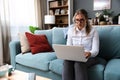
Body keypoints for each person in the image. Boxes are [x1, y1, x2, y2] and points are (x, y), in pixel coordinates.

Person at [62, 9, 99, 80]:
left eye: (82, 20)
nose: (79, 22)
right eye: (77, 20)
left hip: (90, 57)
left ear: (86, 20)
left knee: (79, 63)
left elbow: (95, 50)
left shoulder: (93, 31)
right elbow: (68, 46)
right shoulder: (70, 31)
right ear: (75, 20)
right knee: (66, 62)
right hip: (74, 56)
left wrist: (89, 53)